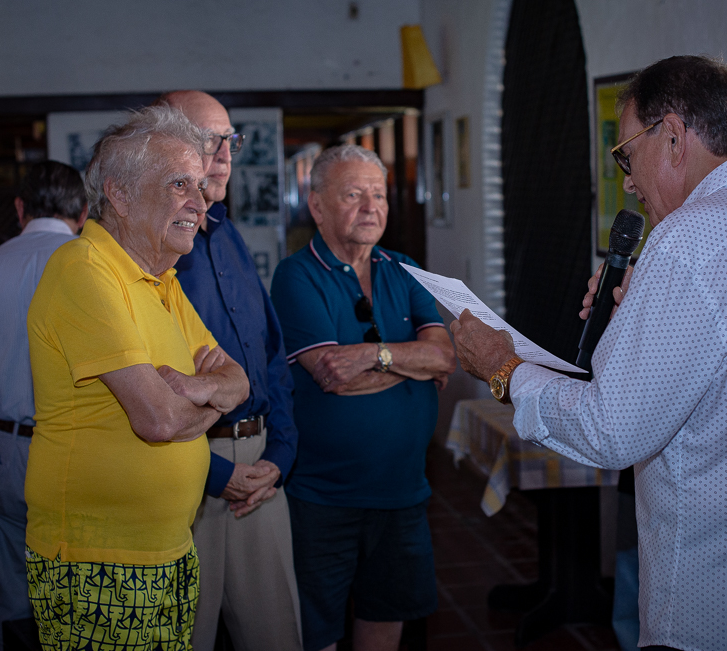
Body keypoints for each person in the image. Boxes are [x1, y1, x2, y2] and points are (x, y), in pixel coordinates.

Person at [450, 55, 727, 651]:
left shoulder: (688, 238)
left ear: (672, 136)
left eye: (626, 155)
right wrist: (636, 314)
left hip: (707, 597)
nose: (629, 181)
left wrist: (505, 370)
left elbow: (611, 430)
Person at [25, 105, 249, 650]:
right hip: (97, 560)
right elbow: (157, 419)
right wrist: (208, 400)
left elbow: (240, 380)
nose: (199, 203)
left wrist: (198, 389)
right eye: (179, 184)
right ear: (119, 194)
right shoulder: (82, 268)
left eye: (199, 186)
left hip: (168, 549)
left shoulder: (161, 279)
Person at [270, 144, 456, 651]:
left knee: (385, 622)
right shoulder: (296, 276)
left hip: (402, 493)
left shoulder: (405, 267)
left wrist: (375, 356)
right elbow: (333, 376)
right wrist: (410, 362)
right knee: (317, 632)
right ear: (318, 206)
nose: (371, 207)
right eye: (353, 195)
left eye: (378, 194)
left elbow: (443, 357)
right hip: (323, 497)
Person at [159, 90, 302, 651]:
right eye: (207, 139)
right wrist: (218, 476)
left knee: (278, 637)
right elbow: (141, 390)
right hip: (188, 471)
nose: (223, 154)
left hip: (261, 472)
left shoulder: (228, 232)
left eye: (230, 140)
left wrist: (281, 454)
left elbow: (270, 353)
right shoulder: (148, 248)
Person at [0, 160, 87, 649]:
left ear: (19, 208)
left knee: (13, 594)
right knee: (78, 593)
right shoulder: (92, 264)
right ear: (82, 210)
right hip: (71, 450)